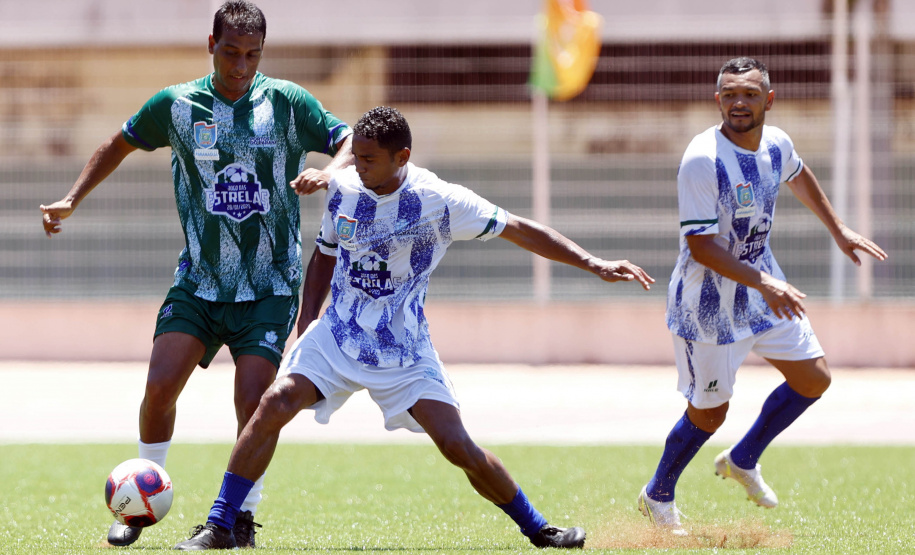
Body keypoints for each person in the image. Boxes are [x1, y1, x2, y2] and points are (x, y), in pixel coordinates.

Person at [172, 106, 655, 550]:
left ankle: (539, 529)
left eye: (368, 159)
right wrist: (308, 323)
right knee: (274, 403)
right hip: (337, 335)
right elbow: (325, 252)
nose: (356, 166)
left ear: (403, 156)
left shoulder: (440, 201)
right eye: (354, 156)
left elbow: (518, 227)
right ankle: (220, 524)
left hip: (402, 347)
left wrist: (593, 262)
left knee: (456, 444)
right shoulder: (343, 186)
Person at [40, 1, 353, 548]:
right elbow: (119, 142)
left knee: (254, 402)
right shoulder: (178, 105)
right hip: (199, 281)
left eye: (251, 55)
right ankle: (136, 505)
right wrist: (71, 198)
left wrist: (330, 171)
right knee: (160, 385)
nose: (240, 65)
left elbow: (347, 137)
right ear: (211, 46)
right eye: (231, 52)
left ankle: (240, 519)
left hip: (269, 285)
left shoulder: (286, 103)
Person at [637, 58, 888, 535]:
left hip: (761, 289)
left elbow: (798, 173)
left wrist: (839, 230)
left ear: (768, 100)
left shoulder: (776, 143)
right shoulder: (701, 160)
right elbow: (701, 246)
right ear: (718, 100)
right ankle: (658, 494)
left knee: (813, 378)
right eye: (729, 94)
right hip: (706, 306)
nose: (738, 103)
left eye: (749, 94)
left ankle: (744, 457)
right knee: (710, 412)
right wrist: (766, 283)